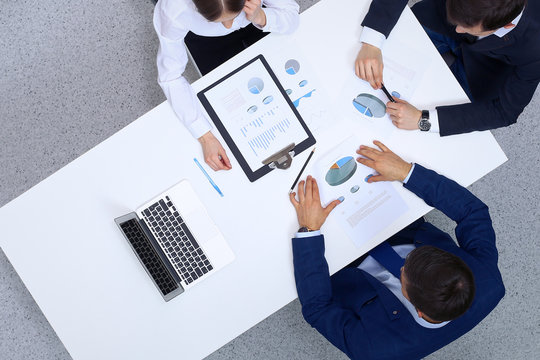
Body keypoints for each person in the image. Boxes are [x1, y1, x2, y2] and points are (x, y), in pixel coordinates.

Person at [289, 141, 505, 359]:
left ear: (419, 311)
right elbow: (473, 213)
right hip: (399, 225)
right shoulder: (488, 281)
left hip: (341, 266)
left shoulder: (375, 350)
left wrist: (309, 231)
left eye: (403, 272)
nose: (402, 263)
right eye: (412, 255)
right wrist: (407, 172)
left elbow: (318, 309)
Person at [355, 0, 540, 136]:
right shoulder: (457, 23)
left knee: (423, 105)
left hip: (484, 73)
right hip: (439, 18)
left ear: (507, 25)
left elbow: (505, 112)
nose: (458, 29)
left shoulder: (536, 45)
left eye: (467, 27)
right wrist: (372, 40)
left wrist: (423, 120)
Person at [153, 0, 299, 171]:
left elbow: (291, 16)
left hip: (257, 16)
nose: (229, 26)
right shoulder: (174, 10)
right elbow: (170, 77)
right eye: (219, 21)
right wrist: (205, 136)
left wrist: (262, 16)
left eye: (234, 16)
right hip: (206, 40)